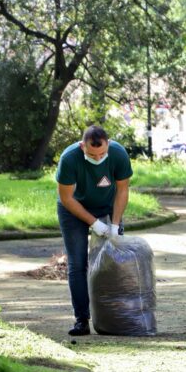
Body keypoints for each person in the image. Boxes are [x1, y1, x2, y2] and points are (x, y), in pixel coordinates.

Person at [56, 125, 133, 336]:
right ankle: (82, 319)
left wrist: (115, 225)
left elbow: (123, 190)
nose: (98, 158)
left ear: (108, 145)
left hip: (107, 207)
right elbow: (66, 198)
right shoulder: (70, 158)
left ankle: (116, 315)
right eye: (92, 154)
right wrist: (94, 223)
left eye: (102, 153)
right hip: (73, 210)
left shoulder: (117, 154)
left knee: (116, 261)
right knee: (78, 263)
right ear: (82, 146)